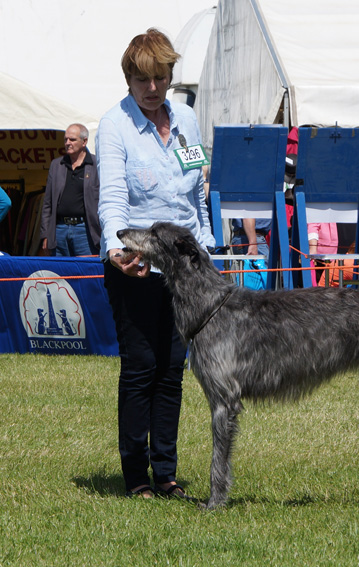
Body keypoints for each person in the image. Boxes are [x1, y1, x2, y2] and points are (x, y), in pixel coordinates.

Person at [97, 28, 215, 499]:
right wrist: (116, 250)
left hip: (188, 270)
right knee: (142, 366)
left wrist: (209, 244)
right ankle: (136, 478)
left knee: (173, 369)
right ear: (129, 78)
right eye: (143, 79)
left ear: (170, 77)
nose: (152, 88)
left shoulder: (186, 118)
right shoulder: (115, 125)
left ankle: (166, 474)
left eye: (160, 78)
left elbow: (198, 192)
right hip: (136, 264)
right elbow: (113, 201)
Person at [40, 124, 101, 256]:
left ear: (84, 141)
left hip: (85, 230)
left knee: (85, 272)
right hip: (59, 230)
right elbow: (47, 203)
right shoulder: (57, 165)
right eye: (65, 139)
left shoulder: (97, 165)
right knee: (60, 274)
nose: (67, 143)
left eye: (72, 140)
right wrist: (45, 234)